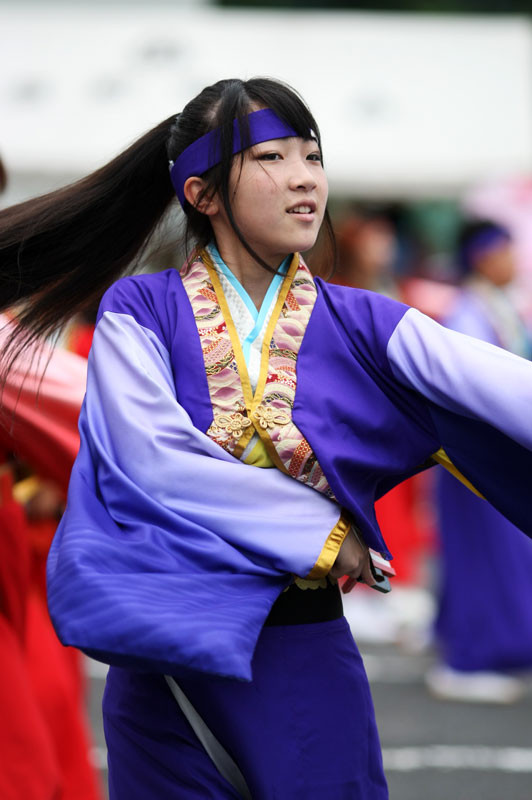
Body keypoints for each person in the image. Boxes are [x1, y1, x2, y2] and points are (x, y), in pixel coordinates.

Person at [1, 77, 532, 799]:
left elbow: (504, 388)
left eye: (312, 155)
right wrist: (322, 532)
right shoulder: (140, 308)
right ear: (203, 193)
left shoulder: (365, 323)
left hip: (301, 648)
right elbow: (148, 458)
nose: (304, 177)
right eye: (273, 158)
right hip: (161, 652)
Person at [426, 218, 532, 703]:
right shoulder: (466, 313)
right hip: (477, 453)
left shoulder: (495, 307)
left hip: (494, 450)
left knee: (496, 554)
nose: (513, 262)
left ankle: (474, 643)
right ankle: (469, 658)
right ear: (482, 257)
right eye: (505, 252)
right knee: (484, 555)